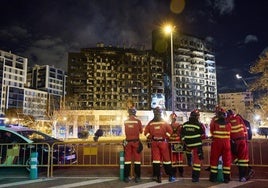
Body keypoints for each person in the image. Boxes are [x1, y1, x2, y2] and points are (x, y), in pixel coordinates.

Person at [144, 106, 175, 183]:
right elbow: (170, 131)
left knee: (156, 160)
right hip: (163, 142)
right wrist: (165, 137)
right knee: (167, 160)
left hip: (154, 143)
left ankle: (157, 176)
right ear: (160, 113)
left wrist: (151, 137)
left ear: (154, 113)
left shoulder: (151, 123)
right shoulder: (164, 122)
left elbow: (146, 133)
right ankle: (170, 175)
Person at [226, 109, 251, 182]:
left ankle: (246, 171)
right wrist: (246, 140)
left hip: (233, 142)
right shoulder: (238, 118)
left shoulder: (227, 120)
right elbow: (245, 129)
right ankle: (243, 176)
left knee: (233, 156)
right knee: (243, 158)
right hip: (242, 140)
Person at [181, 109, 205, 183]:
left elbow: (182, 135)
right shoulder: (199, 125)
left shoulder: (185, 124)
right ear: (197, 117)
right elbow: (203, 135)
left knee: (189, 154)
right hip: (197, 146)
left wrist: (185, 141)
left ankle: (189, 161)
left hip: (187, 145)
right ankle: (195, 178)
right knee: (197, 163)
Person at [209, 108, 232, 183]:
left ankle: (213, 178)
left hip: (217, 143)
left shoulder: (215, 123)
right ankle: (226, 178)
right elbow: (230, 132)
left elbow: (212, 130)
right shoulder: (228, 124)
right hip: (226, 143)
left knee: (214, 160)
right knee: (227, 160)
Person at [123, 106, 143, 183]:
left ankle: (126, 177)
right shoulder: (138, 121)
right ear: (135, 112)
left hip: (128, 142)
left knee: (127, 160)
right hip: (136, 143)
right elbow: (141, 131)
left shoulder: (125, 121)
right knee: (137, 160)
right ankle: (137, 177)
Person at [168, 112, 184, 177]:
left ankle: (173, 172)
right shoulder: (180, 126)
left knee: (173, 158)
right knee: (180, 157)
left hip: (171, 143)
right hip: (178, 142)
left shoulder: (169, 126)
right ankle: (181, 172)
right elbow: (182, 133)